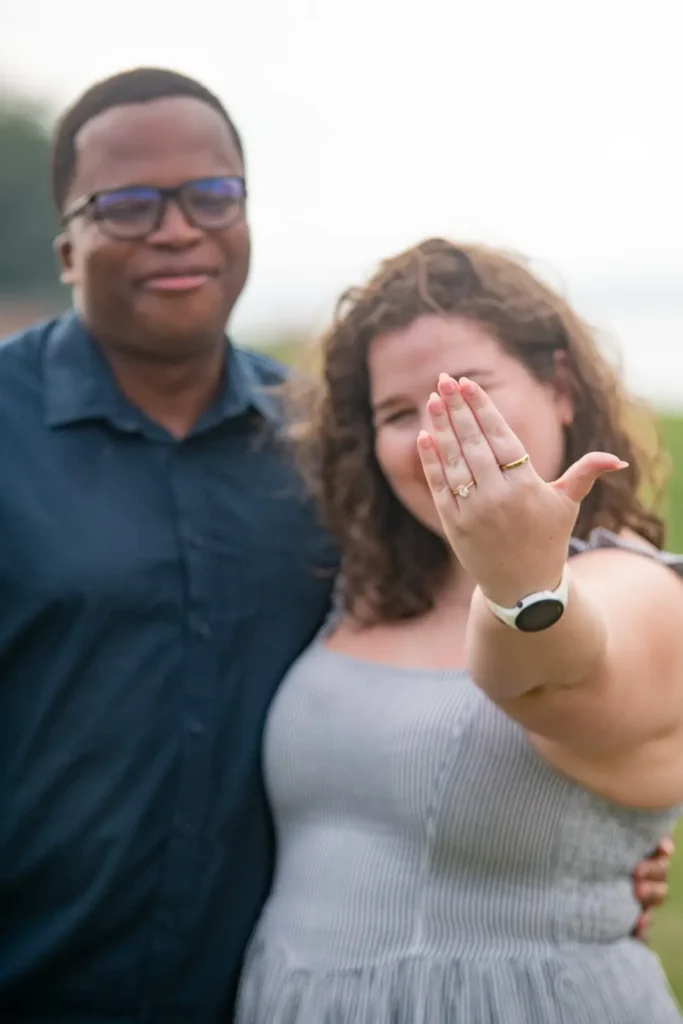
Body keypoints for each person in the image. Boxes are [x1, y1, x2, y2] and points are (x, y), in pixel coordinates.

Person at [0, 68, 670, 1023]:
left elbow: (555, 674)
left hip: (229, 989)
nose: (178, 227)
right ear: (67, 244)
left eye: (211, 195)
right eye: (129, 205)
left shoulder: (317, 455)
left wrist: (599, 845)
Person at [235, 239, 683, 1023]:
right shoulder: (361, 591)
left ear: (560, 388)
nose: (429, 439)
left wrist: (523, 584)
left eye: (462, 396)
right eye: (396, 415)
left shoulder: (639, 589)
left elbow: (550, 672)